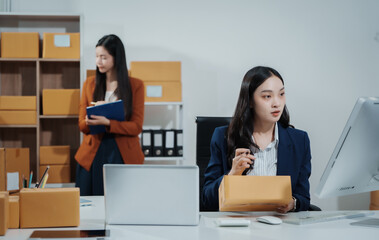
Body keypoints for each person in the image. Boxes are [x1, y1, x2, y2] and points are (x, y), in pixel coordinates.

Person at [202, 66, 311, 212]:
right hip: (238, 228)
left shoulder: (299, 141)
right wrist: (232, 175)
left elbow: (303, 197)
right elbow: (206, 201)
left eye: (281, 94)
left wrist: (293, 203)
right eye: (267, 96)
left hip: (281, 227)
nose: (276, 103)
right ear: (250, 101)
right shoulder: (223, 137)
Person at [75, 34, 144, 196]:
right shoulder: (90, 84)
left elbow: (136, 126)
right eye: (97, 56)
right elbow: (81, 125)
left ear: (116, 58)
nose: (98, 61)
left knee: (123, 201)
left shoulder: (136, 85)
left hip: (122, 153)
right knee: (89, 205)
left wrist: (107, 122)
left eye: (103, 57)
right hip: (93, 151)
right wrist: (89, 120)